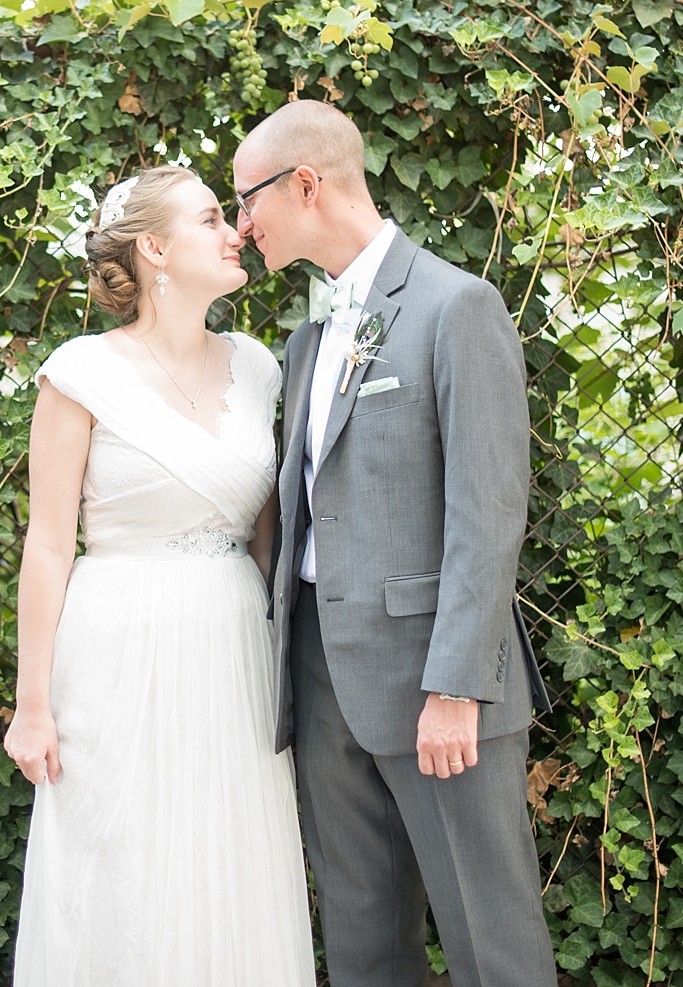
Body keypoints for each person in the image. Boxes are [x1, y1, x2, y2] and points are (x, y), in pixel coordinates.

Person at [233, 100, 556, 987]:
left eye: (248, 200)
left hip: (433, 681)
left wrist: (456, 685)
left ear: (306, 184)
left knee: (492, 946)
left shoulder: (458, 307)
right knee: (363, 947)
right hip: (321, 681)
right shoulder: (306, 340)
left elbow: (489, 511)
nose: (242, 225)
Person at [5, 165, 315, 987]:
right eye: (210, 219)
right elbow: (48, 543)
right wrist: (32, 705)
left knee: (228, 865)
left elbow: (266, 540)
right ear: (153, 248)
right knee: (123, 871)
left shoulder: (257, 367)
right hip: (117, 651)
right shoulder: (81, 373)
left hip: (233, 654)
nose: (234, 231)